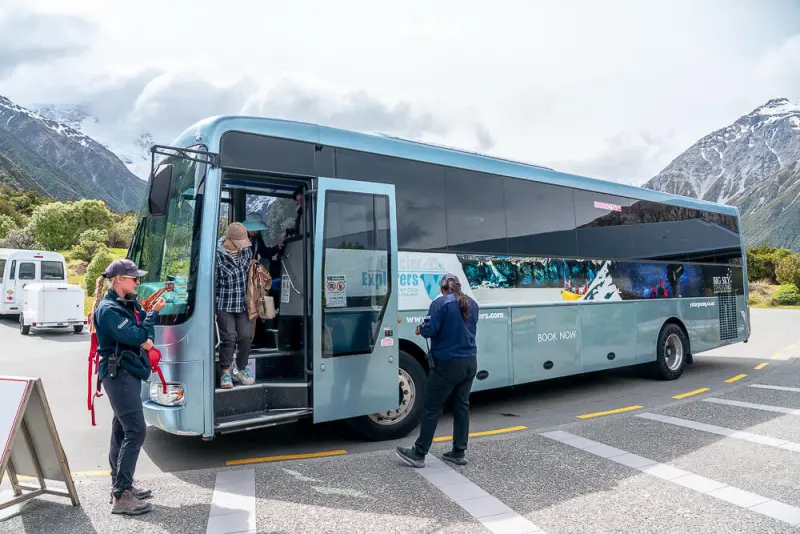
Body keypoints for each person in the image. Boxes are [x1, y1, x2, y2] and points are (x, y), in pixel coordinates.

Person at [91, 259, 165, 515]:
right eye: (134, 278)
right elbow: (136, 336)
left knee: (122, 430)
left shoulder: (124, 304)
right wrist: (151, 319)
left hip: (125, 372)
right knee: (136, 430)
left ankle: (121, 485)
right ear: (119, 279)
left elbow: (140, 330)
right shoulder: (109, 310)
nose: (137, 282)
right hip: (119, 374)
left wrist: (146, 320)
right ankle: (122, 494)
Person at [396, 273, 480, 468]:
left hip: (448, 364)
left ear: (443, 289)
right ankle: (458, 452)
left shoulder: (440, 303)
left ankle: (418, 453)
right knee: (461, 406)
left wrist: (421, 328)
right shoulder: (472, 304)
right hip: (470, 362)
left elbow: (429, 330)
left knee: (432, 408)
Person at [216, 222, 256, 388]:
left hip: (242, 302)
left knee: (246, 335)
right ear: (228, 239)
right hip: (224, 303)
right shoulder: (216, 255)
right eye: (238, 243)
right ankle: (225, 373)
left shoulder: (246, 251)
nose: (241, 246)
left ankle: (241, 368)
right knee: (229, 338)